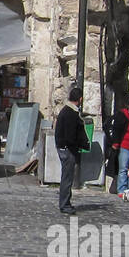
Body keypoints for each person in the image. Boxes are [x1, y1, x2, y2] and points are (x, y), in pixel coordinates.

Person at [54, 86, 87, 216]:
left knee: (67, 176)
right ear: (80, 99)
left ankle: (66, 202)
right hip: (68, 150)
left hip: (66, 148)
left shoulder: (68, 111)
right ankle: (64, 204)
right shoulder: (70, 113)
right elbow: (70, 136)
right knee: (67, 177)